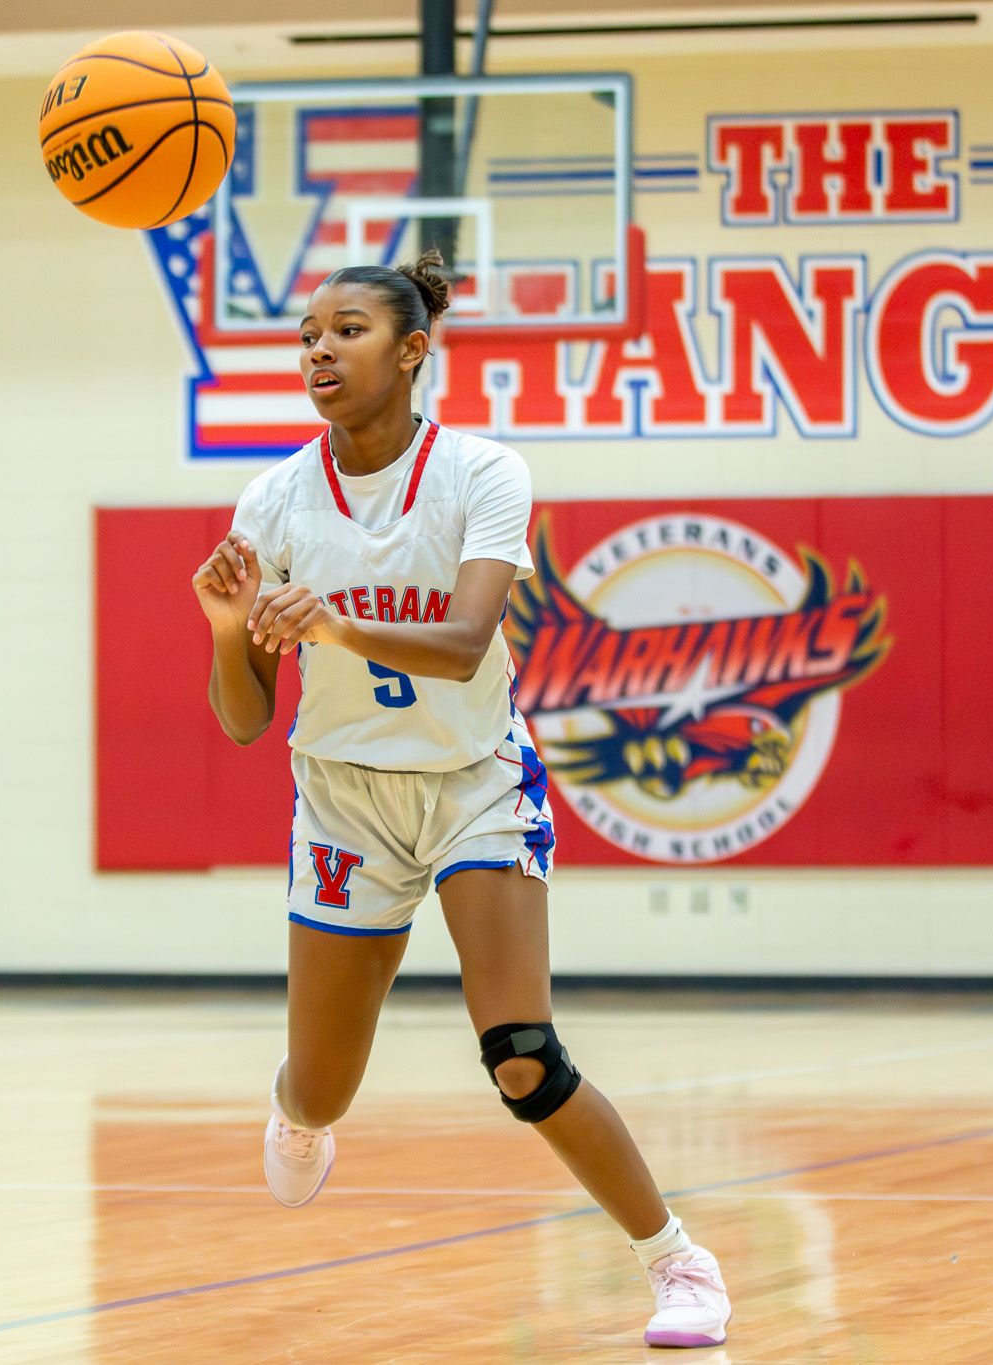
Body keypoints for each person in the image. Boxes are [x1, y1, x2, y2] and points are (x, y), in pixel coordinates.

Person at [190, 249, 733, 1348]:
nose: (319, 351)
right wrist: (225, 629)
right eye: (308, 336)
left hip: (474, 782)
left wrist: (333, 624)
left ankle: (677, 1260)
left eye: (346, 331)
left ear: (412, 350)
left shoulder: (482, 474)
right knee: (321, 1089)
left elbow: (466, 641)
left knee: (522, 1054)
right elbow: (246, 720)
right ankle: (300, 1115)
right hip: (342, 799)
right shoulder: (273, 497)